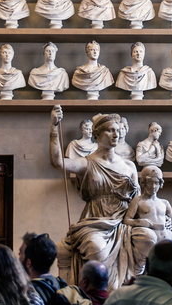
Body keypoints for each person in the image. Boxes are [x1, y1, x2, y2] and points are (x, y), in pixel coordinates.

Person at [50, 107, 147, 290]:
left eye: (118, 130)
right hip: (95, 221)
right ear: (97, 135)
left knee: (149, 239)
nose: (115, 135)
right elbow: (58, 162)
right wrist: (54, 129)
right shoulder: (86, 163)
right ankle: (101, 297)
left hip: (125, 221)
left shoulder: (129, 166)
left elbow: (138, 200)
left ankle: (133, 288)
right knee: (96, 248)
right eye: (110, 130)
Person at [124, 166, 172, 273]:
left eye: (156, 183)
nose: (153, 186)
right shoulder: (138, 201)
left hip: (166, 242)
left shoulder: (164, 203)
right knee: (143, 272)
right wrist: (141, 222)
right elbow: (127, 220)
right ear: (143, 183)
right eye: (150, 183)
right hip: (148, 244)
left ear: (161, 184)